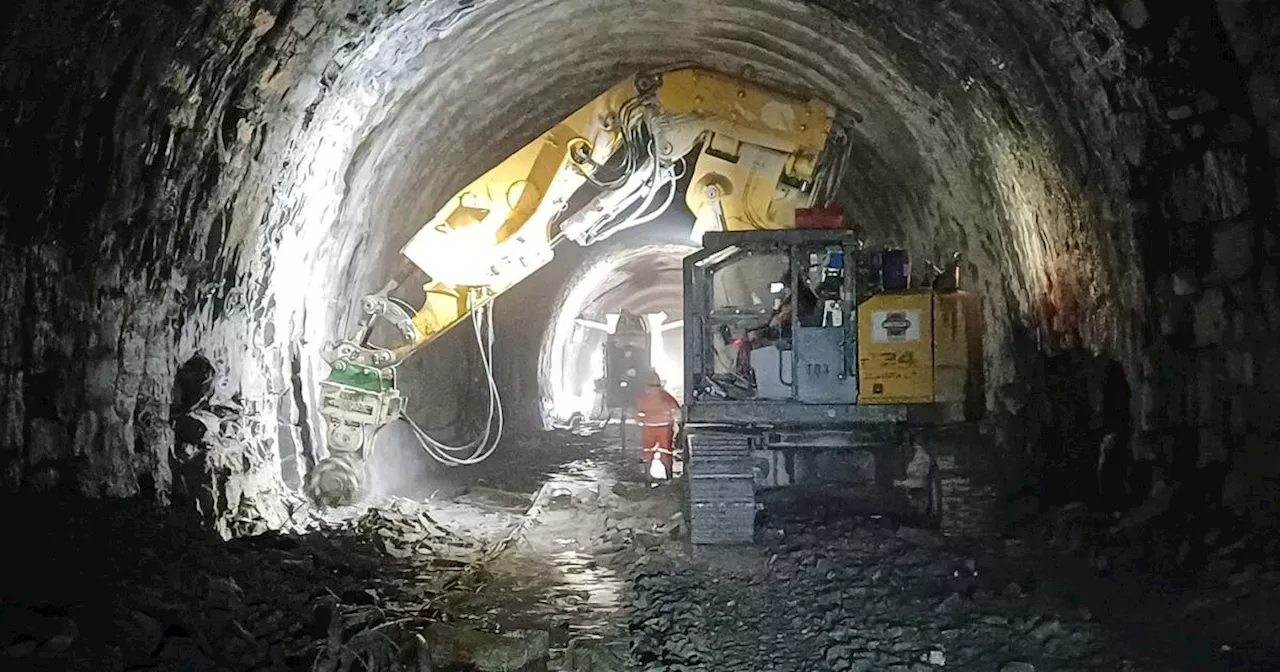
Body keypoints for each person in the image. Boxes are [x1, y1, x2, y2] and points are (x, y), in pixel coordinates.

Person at [634, 370, 682, 482]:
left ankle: (647, 480)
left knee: (648, 453)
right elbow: (677, 412)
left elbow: (638, 416)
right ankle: (669, 479)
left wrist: (640, 423)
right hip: (665, 429)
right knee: (666, 453)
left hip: (648, 429)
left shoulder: (642, 398)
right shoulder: (667, 396)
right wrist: (678, 425)